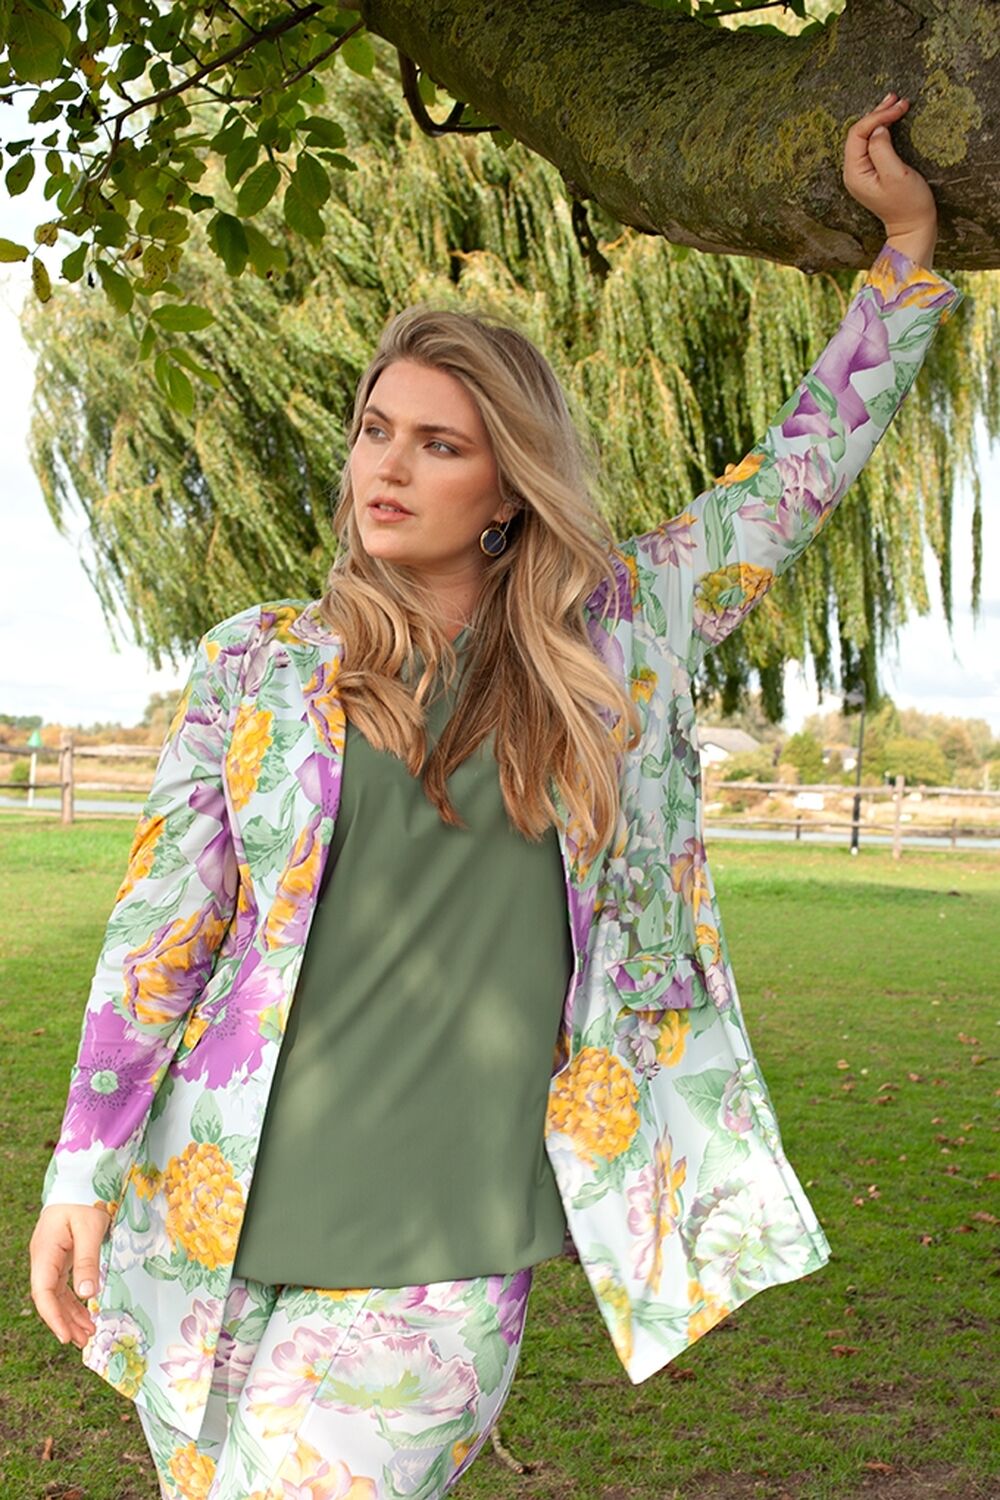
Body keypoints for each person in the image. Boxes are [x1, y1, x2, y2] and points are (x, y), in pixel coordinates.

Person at [30, 92, 963, 1500]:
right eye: (376, 431)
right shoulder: (258, 665)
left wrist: (903, 254)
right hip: (210, 1226)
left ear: (508, 489)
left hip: (438, 1264)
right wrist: (80, 1170)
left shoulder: (616, 642)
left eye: (440, 444)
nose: (387, 467)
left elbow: (794, 476)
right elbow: (161, 937)